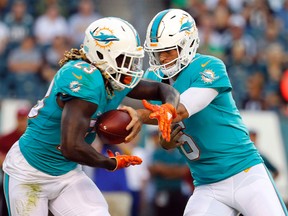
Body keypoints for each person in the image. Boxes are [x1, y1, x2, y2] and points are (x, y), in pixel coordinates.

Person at [2, 17, 179, 216]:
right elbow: (71, 146)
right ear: (102, 54)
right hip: (30, 172)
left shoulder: (113, 77)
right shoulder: (86, 78)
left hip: (66, 173)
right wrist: (110, 163)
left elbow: (161, 88)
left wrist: (169, 108)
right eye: (123, 58)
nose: (130, 65)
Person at [142, 8, 288, 216]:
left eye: (169, 50)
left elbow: (181, 109)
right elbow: (163, 119)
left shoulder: (209, 66)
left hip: (245, 173)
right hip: (207, 185)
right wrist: (164, 140)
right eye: (158, 52)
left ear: (187, 44)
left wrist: (138, 117)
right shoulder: (154, 79)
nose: (162, 58)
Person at [0, 106, 30, 216]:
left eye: (24, 119)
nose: (22, 122)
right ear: (17, 119)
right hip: (10, 177)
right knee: (7, 208)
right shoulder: (6, 138)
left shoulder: (32, 138)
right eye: (20, 119)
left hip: (29, 178)